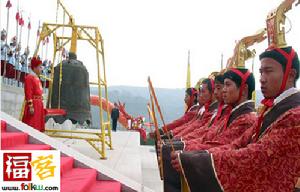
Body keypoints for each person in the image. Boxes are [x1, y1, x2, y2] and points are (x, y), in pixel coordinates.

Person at [171, 46, 300, 192]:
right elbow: (235, 145)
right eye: (261, 72)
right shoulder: (270, 111)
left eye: (268, 71)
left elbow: (254, 156)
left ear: (290, 75)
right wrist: (190, 152)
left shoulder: (294, 117)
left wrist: (194, 159)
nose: (262, 79)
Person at [22, 57, 45, 132]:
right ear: (34, 68)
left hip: (39, 104)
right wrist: (30, 106)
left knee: (38, 125)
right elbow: (28, 93)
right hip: (34, 104)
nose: (41, 69)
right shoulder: (29, 77)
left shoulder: (37, 78)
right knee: (32, 124)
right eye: (40, 67)